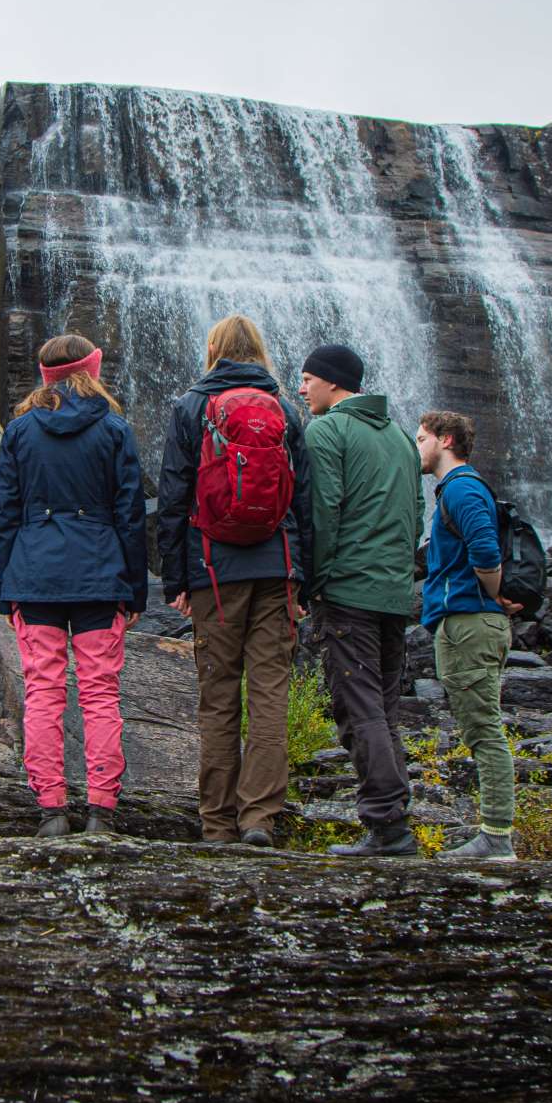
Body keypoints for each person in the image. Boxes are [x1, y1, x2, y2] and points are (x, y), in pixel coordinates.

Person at [157, 314, 312, 847]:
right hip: (276, 568)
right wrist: (303, 578)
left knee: (218, 697)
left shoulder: (189, 407)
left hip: (213, 573)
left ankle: (217, 824)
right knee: (270, 693)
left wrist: (174, 578)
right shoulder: (288, 412)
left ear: (215, 350)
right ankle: (259, 820)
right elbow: (304, 501)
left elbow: (174, 498)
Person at [0, 334, 147, 836]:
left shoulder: (18, 432)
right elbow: (131, 515)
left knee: (42, 691)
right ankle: (102, 809)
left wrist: (4, 587)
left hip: (34, 577)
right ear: (91, 371)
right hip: (101, 575)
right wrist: (136, 589)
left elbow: (4, 517)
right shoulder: (115, 429)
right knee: (100, 693)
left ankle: (52, 809)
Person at [297, 344, 424, 858]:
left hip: (347, 589)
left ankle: (387, 824)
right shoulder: (398, 435)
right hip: (394, 593)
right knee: (385, 708)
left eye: (307, 379)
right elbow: (417, 510)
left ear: (331, 383)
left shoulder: (327, 431)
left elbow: (322, 513)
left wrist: (313, 582)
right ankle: (396, 815)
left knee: (359, 708)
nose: (301, 389)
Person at [417, 409, 521, 859]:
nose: (416, 446)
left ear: (445, 440)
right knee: (480, 726)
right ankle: (495, 832)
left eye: (421, 438)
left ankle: (497, 836)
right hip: (467, 621)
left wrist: (494, 593)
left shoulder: (460, 488)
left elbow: (484, 547)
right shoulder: (459, 489)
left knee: (484, 730)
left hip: (470, 623)